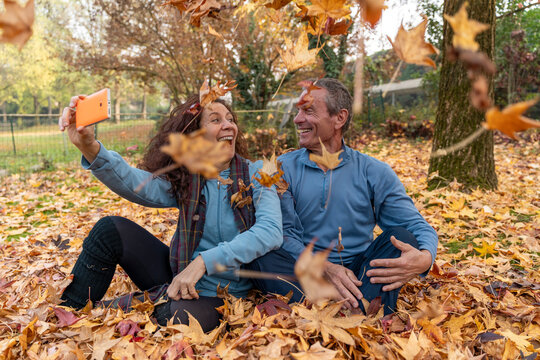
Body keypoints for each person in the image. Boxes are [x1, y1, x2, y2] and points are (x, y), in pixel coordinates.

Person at [58, 94, 282, 331]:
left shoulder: (257, 173)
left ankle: (101, 312)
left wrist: (204, 261)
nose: (228, 125)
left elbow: (270, 231)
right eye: (215, 120)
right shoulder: (188, 176)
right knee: (109, 229)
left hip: (225, 295)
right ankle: (68, 312)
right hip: (179, 276)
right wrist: (89, 147)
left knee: (176, 317)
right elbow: (137, 183)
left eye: (230, 119)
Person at [246, 78, 438, 315]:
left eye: (308, 111)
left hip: (358, 274)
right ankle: (338, 313)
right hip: (304, 271)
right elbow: (282, 234)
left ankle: (357, 312)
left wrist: (425, 259)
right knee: (264, 252)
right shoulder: (281, 169)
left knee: (400, 237)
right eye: (298, 112)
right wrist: (324, 267)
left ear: (340, 118)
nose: (297, 120)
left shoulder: (373, 172)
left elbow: (416, 225)